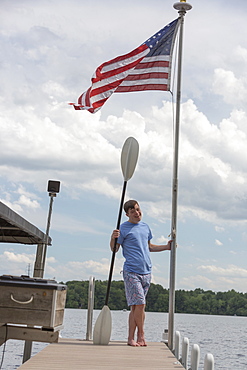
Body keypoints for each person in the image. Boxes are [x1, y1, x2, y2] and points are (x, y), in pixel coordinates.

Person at [110, 199, 172, 347]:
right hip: (131, 271)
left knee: (135, 307)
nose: (137, 213)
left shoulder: (145, 227)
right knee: (140, 304)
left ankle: (131, 338)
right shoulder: (123, 228)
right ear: (127, 214)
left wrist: (166, 247)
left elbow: (149, 247)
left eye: (138, 210)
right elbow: (114, 249)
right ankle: (141, 334)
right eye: (133, 212)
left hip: (147, 272)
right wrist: (113, 238)